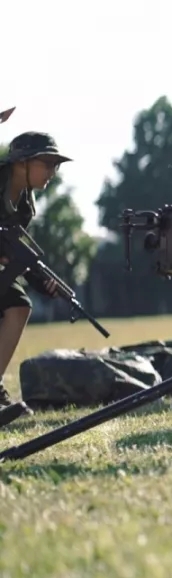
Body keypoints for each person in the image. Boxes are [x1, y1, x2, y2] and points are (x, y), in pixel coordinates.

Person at [0, 132, 64, 419]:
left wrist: (41, 282)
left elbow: (17, 253)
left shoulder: (26, 205)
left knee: (18, 306)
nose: (52, 171)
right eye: (47, 162)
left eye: (56, 165)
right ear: (20, 163)